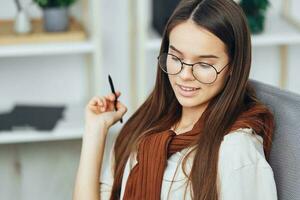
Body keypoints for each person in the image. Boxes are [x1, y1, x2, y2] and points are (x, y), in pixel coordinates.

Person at [73, 0, 277, 199]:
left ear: (233, 66)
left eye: (204, 64)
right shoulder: (147, 122)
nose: (185, 75)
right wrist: (95, 130)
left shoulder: (236, 151)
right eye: (176, 58)